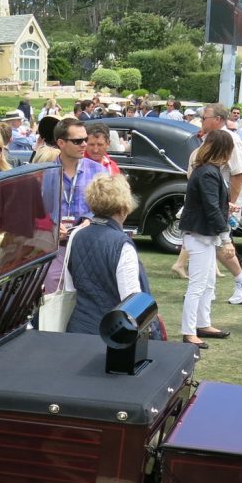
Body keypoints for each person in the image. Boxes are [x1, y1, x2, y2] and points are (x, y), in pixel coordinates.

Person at [63, 174, 162, 337]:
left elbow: (70, 287)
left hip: (78, 329)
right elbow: (131, 302)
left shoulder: (76, 235)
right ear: (124, 206)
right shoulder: (122, 244)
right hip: (111, 335)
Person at [179, 130, 233, 347]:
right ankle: (189, 331)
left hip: (203, 235)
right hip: (200, 234)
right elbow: (211, 208)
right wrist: (226, 238)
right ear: (224, 150)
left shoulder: (207, 170)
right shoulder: (208, 173)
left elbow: (211, 204)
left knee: (208, 282)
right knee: (198, 285)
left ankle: (202, 324)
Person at [40, 117, 103, 295]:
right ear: (61, 143)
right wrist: (51, 225)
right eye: (77, 141)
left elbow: (109, 209)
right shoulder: (44, 173)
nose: (84, 144)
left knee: (88, 301)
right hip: (55, 248)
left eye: (85, 139)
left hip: (89, 247)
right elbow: (35, 213)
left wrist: (90, 220)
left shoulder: (99, 172)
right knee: (54, 301)